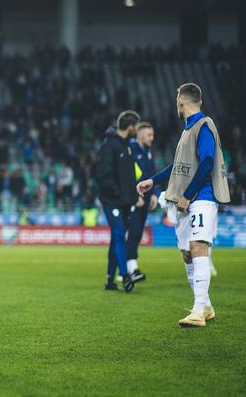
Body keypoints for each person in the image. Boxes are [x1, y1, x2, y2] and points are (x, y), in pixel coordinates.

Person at [137, 83, 230, 327]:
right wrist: (152, 181)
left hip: (201, 198)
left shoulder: (204, 125)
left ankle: (198, 312)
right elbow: (177, 167)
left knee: (198, 247)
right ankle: (206, 306)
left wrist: (188, 194)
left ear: (181, 101)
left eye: (176, 99)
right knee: (187, 254)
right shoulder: (187, 130)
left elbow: (208, 160)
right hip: (185, 201)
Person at [96, 110, 143, 292]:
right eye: (136, 127)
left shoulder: (127, 146)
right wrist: (120, 195)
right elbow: (103, 175)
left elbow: (129, 178)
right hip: (112, 200)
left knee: (117, 237)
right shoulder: (110, 145)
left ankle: (110, 279)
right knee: (119, 233)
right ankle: (124, 275)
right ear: (130, 127)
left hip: (123, 201)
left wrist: (133, 197)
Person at [126, 121, 159, 281]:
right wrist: (134, 196)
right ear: (139, 134)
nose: (152, 138)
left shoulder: (148, 152)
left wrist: (154, 194)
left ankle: (129, 268)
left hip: (145, 198)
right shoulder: (131, 149)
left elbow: (152, 174)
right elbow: (128, 175)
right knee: (134, 232)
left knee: (136, 233)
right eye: (149, 135)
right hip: (134, 199)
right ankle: (130, 268)